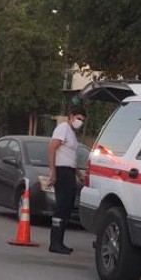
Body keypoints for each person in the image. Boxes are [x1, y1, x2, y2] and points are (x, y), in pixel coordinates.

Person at [47, 105, 86, 254]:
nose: (80, 122)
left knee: (67, 208)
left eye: (82, 120)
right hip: (61, 171)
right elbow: (52, 148)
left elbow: (70, 157)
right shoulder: (63, 128)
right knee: (61, 207)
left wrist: (78, 174)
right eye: (78, 118)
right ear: (71, 116)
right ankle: (55, 242)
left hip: (69, 172)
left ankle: (60, 241)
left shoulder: (72, 134)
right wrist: (53, 171)